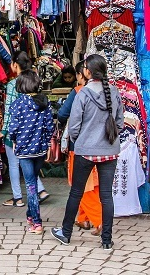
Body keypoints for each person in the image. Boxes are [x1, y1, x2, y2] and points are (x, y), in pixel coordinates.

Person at [53, 54, 124, 249]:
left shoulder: (83, 93)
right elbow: (119, 123)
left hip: (85, 151)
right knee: (106, 196)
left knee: (76, 192)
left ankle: (65, 233)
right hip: (109, 150)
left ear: (88, 71)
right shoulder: (114, 91)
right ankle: (107, 240)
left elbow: (74, 126)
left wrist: (81, 140)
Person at [6, 55, 55, 234]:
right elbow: (50, 126)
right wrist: (47, 142)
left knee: (30, 185)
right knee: (32, 182)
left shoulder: (18, 104)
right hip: (40, 150)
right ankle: (30, 214)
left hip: (24, 150)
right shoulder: (44, 102)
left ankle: (37, 222)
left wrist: (13, 139)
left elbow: (13, 127)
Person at [0, 53, 50, 208]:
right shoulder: (35, 79)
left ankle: (17, 198)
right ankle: (40, 191)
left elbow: (9, 111)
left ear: (14, 64)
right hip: (35, 134)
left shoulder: (13, 84)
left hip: (18, 133)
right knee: (29, 164)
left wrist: (5, 131)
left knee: (14, 164)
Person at [57, 61, 103, 235]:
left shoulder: (78, 92)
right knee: (93, 183)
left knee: (80, 184)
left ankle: (99, 221)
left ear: (82, 74)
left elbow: (62, 114)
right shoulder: (106, 90)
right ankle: (83, 218)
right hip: (100, 144)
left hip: (79, 145)